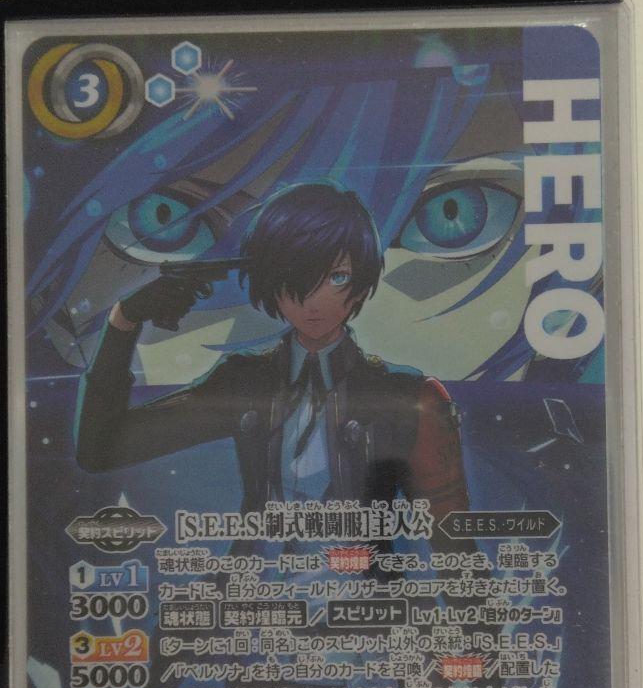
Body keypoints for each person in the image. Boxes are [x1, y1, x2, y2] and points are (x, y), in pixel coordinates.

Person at [75, 183, 470, 549]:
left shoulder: (407, 397)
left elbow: (454, 542)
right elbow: (100, 451)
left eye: (337, 277)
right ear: (271, 283)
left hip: (358, 591)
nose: (313, 300)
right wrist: (123, 322)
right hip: (252, 590)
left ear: (361, 285)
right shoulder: (245, 381)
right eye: (297, 277)